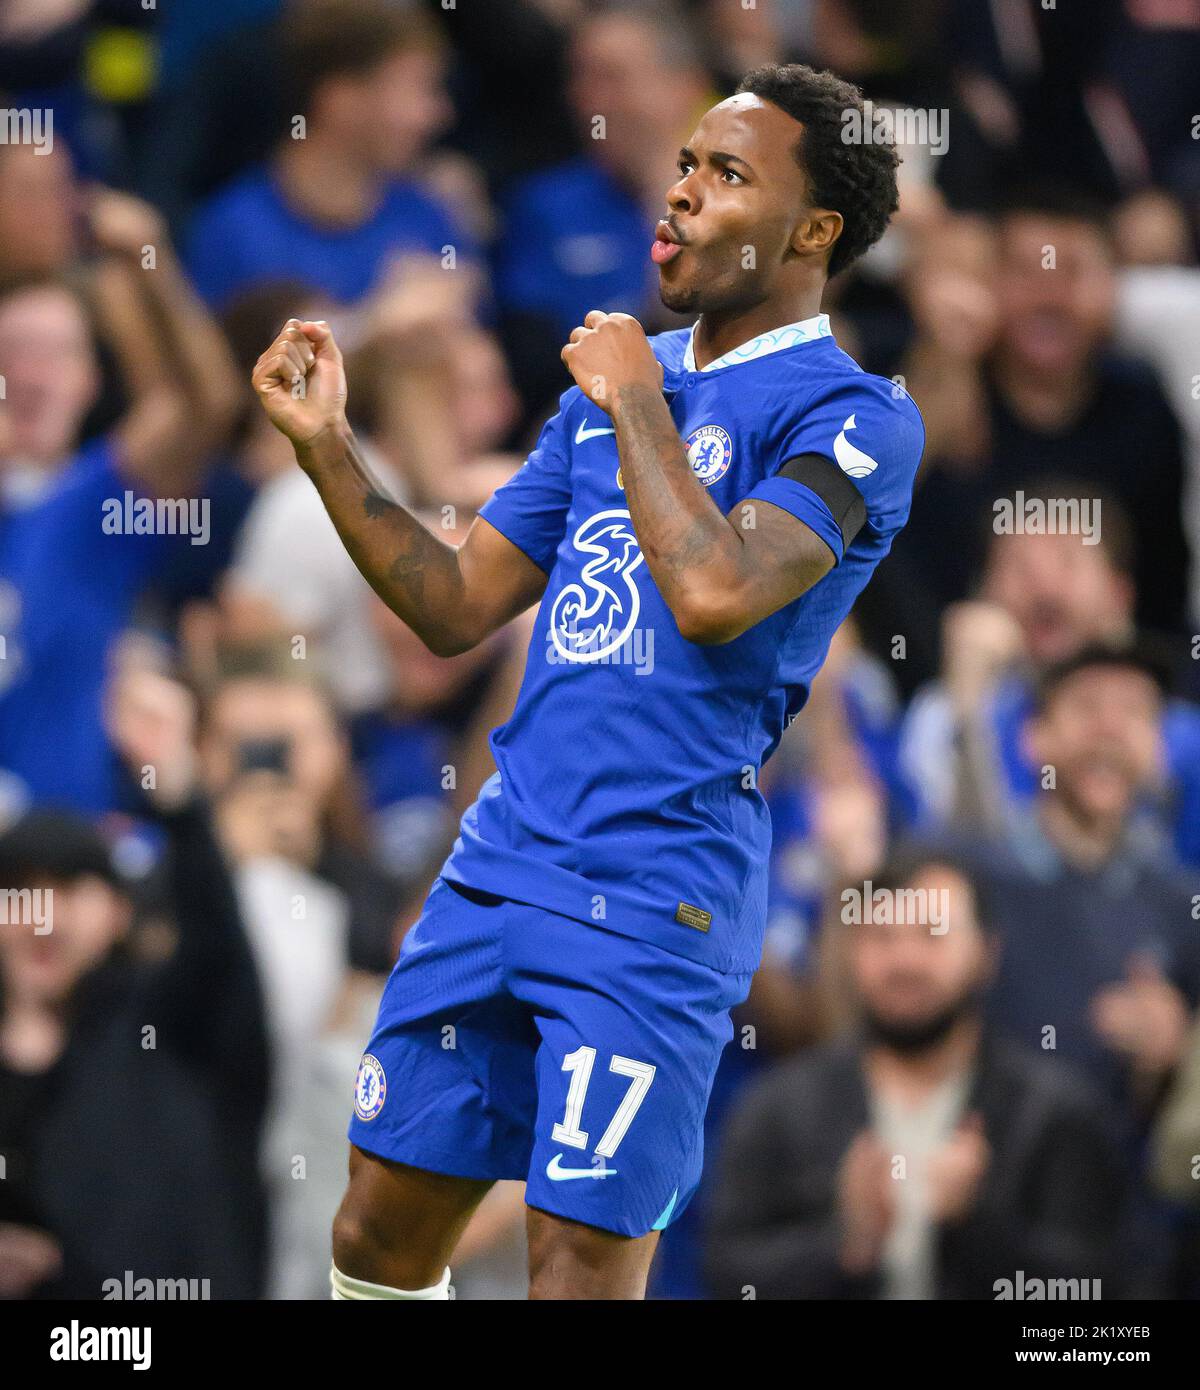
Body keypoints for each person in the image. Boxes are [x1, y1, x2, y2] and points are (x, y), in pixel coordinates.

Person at [252, 62, 924, 1300]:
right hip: (503, 856)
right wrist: (327, 447)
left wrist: (636, 399)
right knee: (373, 1239)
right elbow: (454, 607)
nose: (679, 194)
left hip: (654, 895)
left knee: (573, 1271)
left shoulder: (857, 418)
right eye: (684, 165)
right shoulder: (606, 401)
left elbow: (717, 591)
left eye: (727, 175)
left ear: (814, 230)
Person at [704, 850, 1131, 1299]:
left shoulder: (1056, 1116)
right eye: (882, 937)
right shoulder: (780, 1108)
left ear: (986, 952)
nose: (905, 961)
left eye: (933, 934)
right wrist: (847, 1245)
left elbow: (1098, 1285)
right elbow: (728, 1274)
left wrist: (977, 1222)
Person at [184, 0, 467, 312]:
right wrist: (380, 322)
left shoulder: (429, 217)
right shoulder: (235, 231)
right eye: (420, 88)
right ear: (341, 98)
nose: (438, 114)